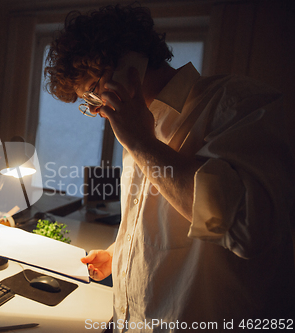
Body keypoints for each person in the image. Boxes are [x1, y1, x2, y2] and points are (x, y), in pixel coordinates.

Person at [44, 3, 295, 332]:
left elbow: (248, 229)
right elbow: (161, 226)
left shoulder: (238, 105)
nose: (96, 111)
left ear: (124, 62)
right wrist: (118, 254)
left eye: (92, 94)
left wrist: (143, 144)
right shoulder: (137, 122)